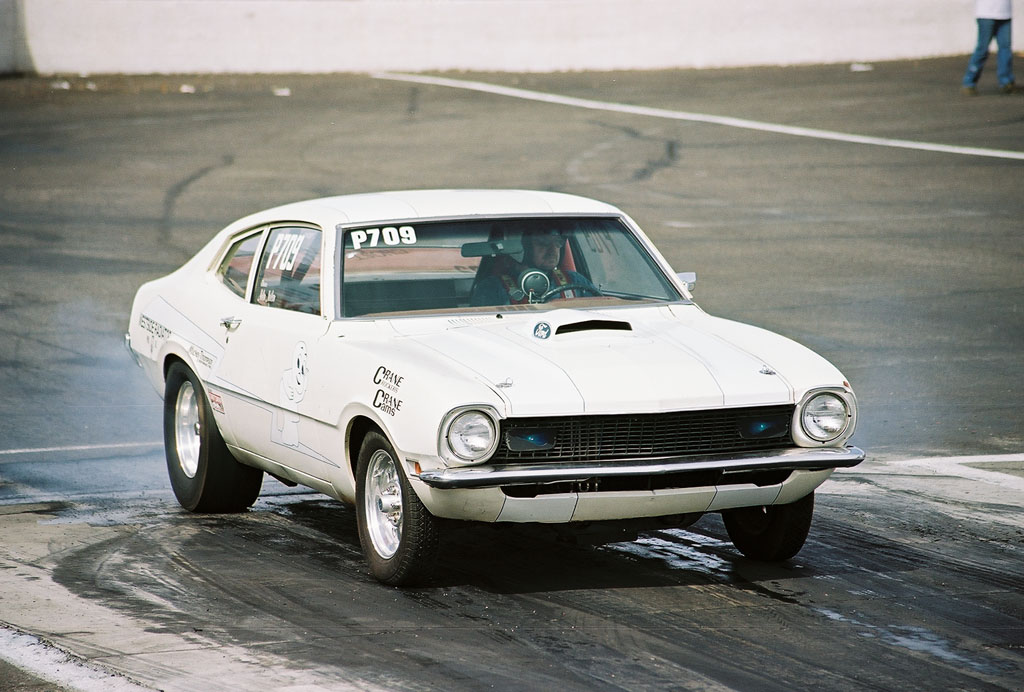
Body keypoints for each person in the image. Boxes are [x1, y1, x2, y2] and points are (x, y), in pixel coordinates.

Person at [470, 229, 596, 306]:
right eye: (543, 243)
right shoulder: (493, 288)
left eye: (558, 243)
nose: (553, 250)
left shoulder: (574, 281)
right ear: (523, 247)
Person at [962, 0, 1015, 94]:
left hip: (1005, 14)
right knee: (982, 49)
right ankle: (969, 82)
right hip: (986, 14)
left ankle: (1006, 81)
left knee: (1005, 49)